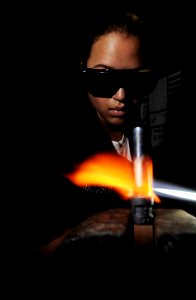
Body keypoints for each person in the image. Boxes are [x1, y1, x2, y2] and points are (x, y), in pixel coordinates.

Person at [27, 9, 159, 260]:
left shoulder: (152, 138)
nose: (120, 95)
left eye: (137, 80)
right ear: (83, 70)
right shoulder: (53, 147)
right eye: (103, 78)